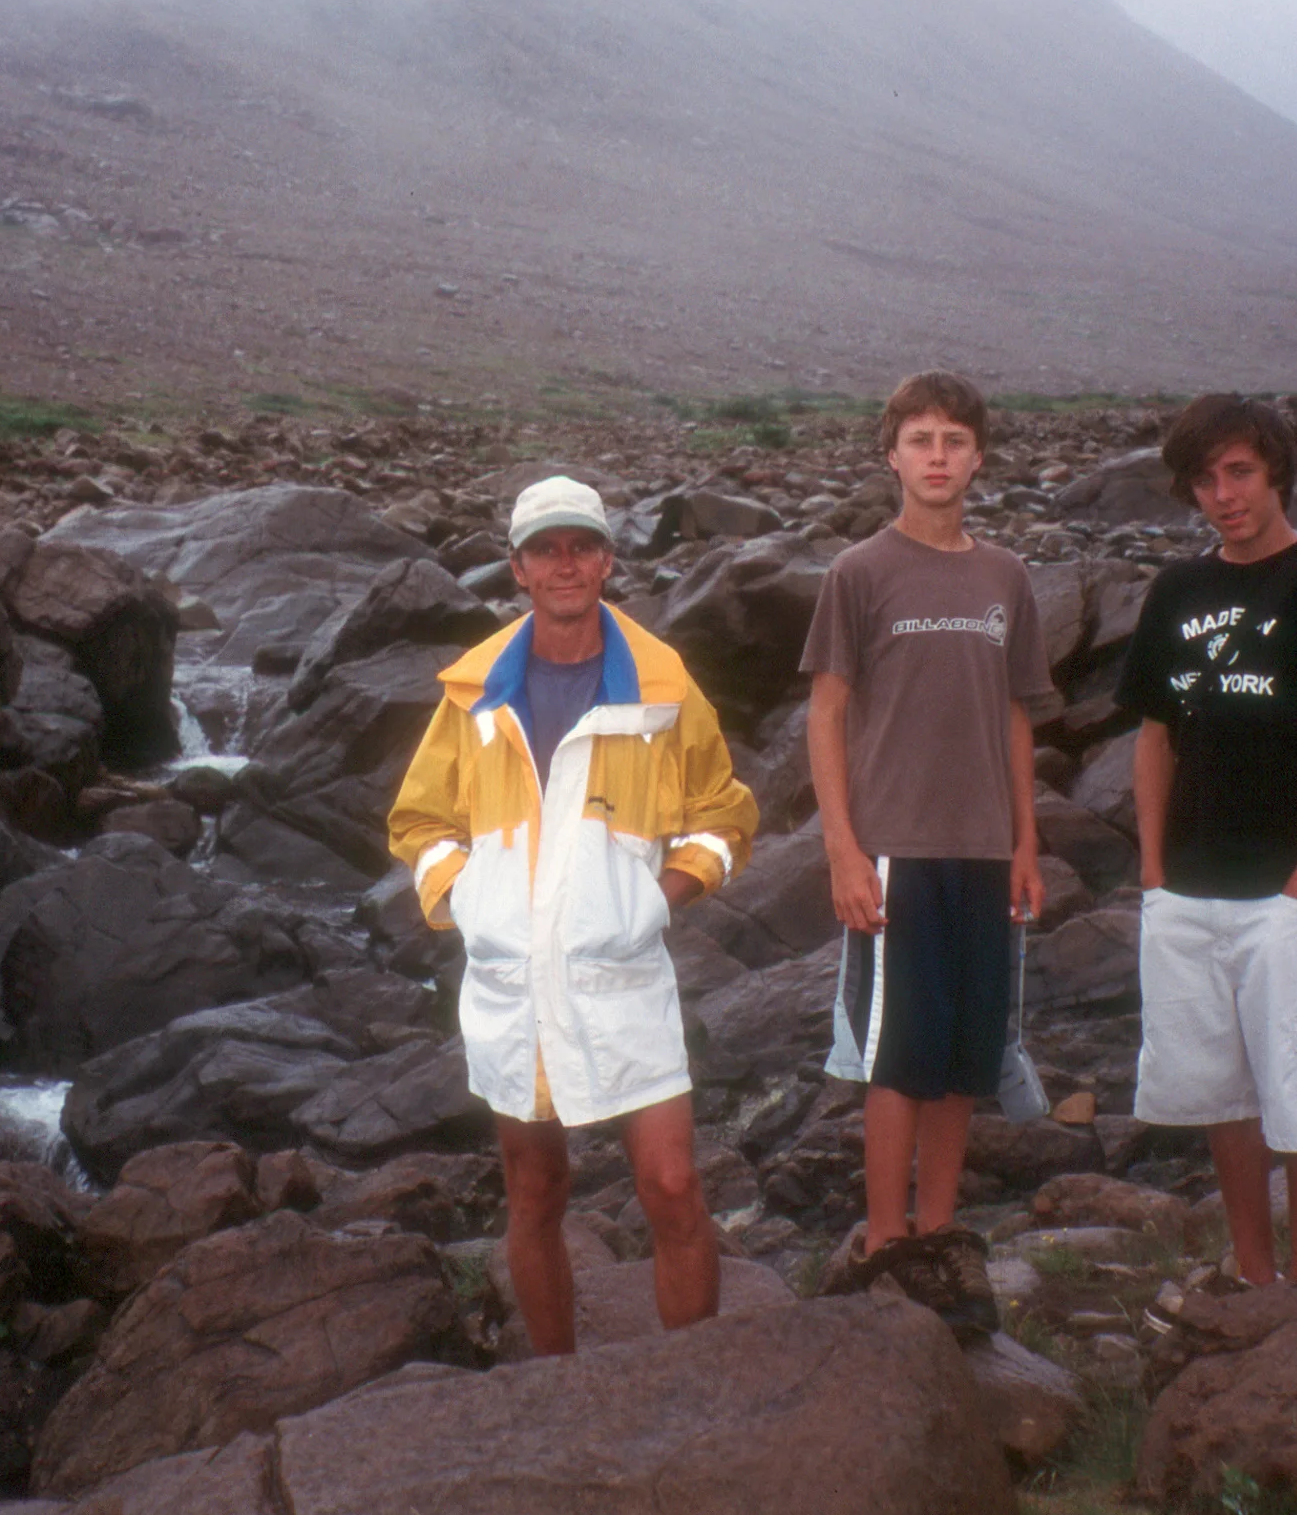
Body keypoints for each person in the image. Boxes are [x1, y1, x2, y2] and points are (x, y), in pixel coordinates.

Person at [389, 472, 758, 1356]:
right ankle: (557, 1385)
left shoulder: (662, 688)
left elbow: (726, 814)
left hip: (623, 973)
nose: (565, 565)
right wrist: (471, 903)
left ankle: (692, 1381)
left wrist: (655, 900)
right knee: (534, 1192)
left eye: (581, 547)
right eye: (545, 550)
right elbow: (419, 823)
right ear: (516, 568)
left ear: (606, 559)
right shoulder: (471, 695)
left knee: (671, 1186)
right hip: (513, 981)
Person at [1116, 393, 1297, 1286]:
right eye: (1203, 480)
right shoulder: (1178, 590)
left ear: (1275, 469)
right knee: (1222, 1099)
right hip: (1190, 891)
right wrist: (1156, 875)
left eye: (1238, 471)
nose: (1222, 495)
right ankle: (1253, 1276)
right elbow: (1155, 736)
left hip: (1289, 895)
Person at [802, 370, 1056, 1330]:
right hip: (896, 847)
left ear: (979, 455)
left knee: (964, 1056)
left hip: (985, 849)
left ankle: (941, 1238)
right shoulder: (859, 573)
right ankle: (886, 1244)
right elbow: (825, 716)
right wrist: (841, 850)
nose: (938, 457)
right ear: (892, 454)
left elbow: (1016, 717)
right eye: (920, 440)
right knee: (896, 1060)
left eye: (955, 440)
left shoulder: (1006, 577)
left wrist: (1027, 841)